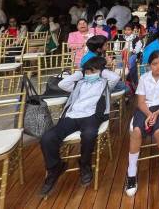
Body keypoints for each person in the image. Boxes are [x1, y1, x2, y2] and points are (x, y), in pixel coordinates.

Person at [39, 53, 120, 196]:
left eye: (92, 71)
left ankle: (84, 164)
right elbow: (62, 84)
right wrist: (81, 73)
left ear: (100, 71)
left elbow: (115, 78)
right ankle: (55, 168)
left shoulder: (105, 83)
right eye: (87, 71)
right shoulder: (79, 83)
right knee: (47, 138)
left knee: (89, 134)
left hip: (92, 116)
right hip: (72, 115)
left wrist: (101, 69)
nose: (89, 74)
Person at [124, 50, 159, 196]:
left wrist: (156, 113)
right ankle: (131, 171)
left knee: (158, 131)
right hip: (146, 108)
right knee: (136, 131)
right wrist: (150, 114)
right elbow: (141, 102)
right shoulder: (144, 78)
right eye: (155, 64)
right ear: (149, 65)